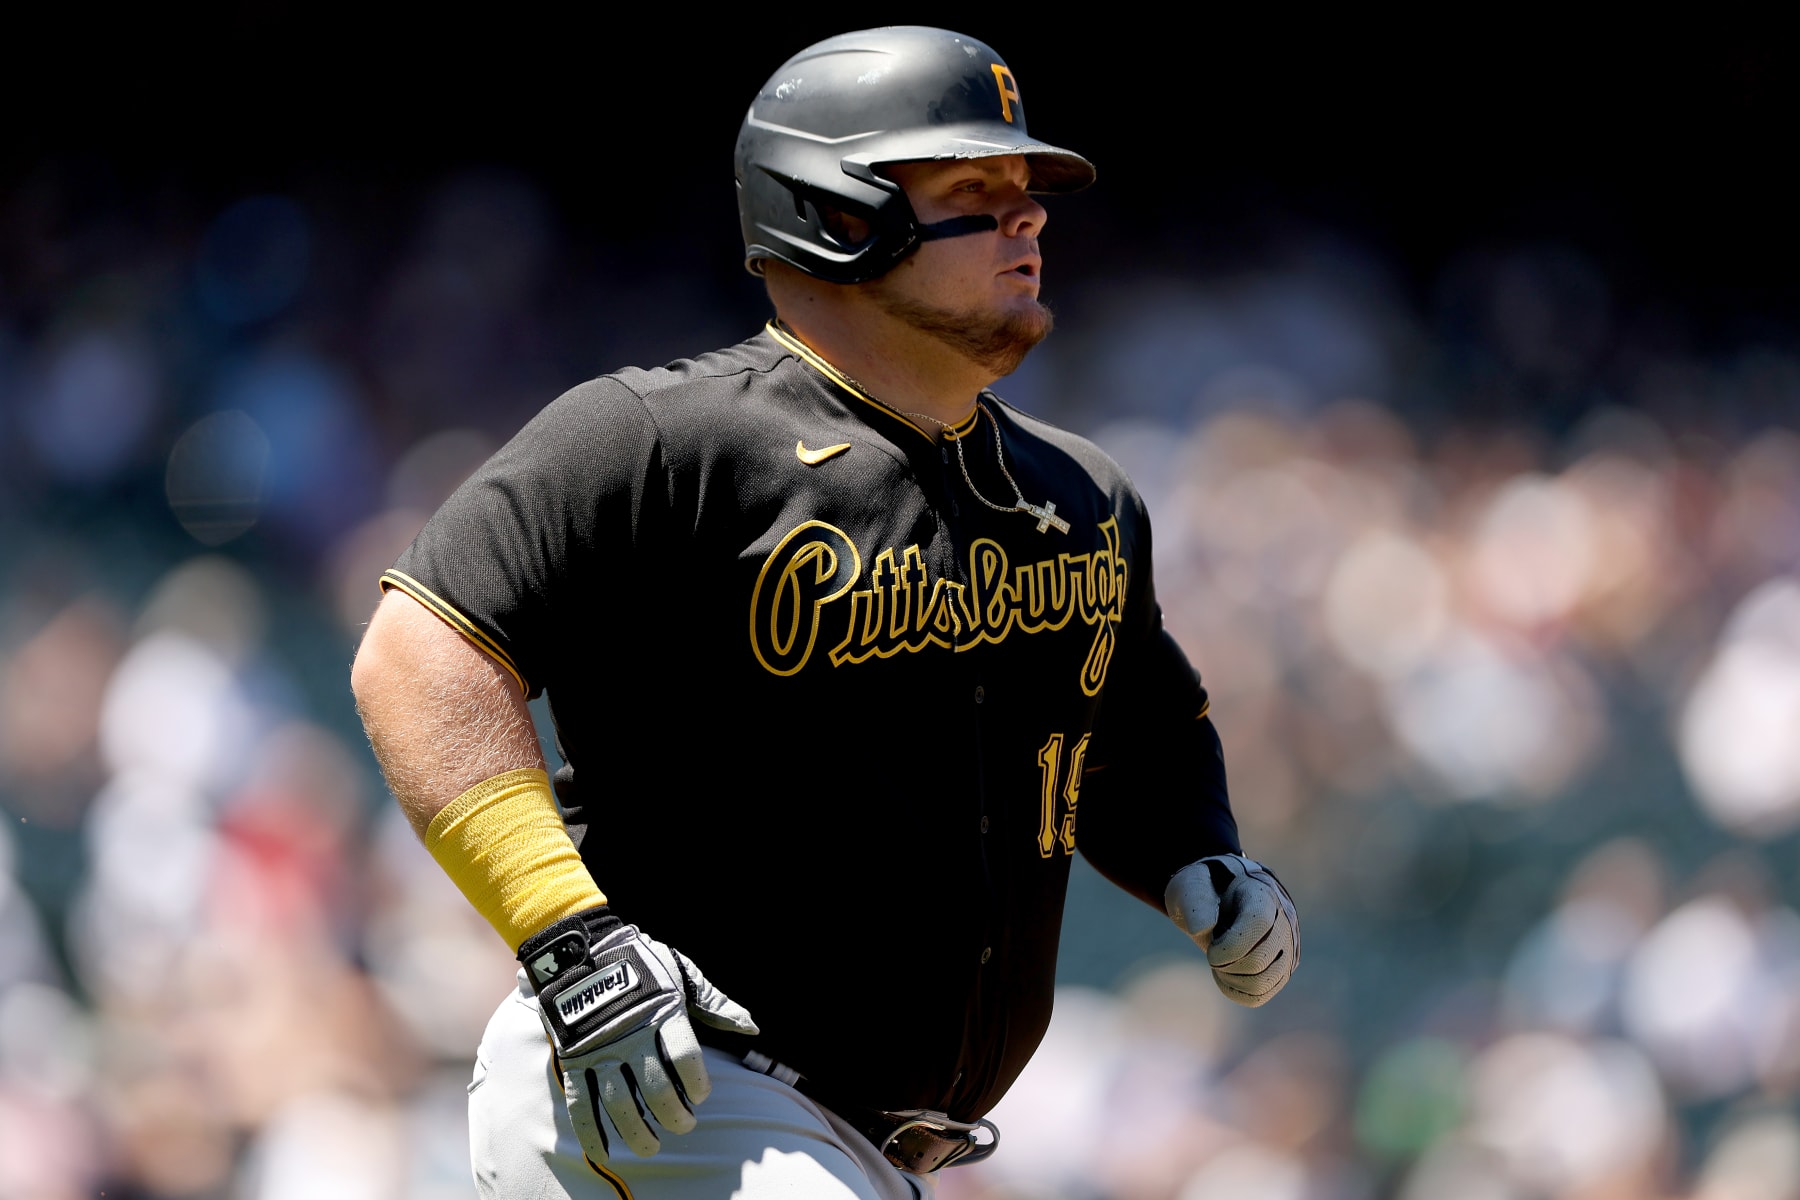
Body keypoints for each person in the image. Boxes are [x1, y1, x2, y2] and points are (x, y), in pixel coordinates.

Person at [350, 25, 1298, 1200]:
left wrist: (1197, 855)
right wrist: (567, 934)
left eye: (1028, 192)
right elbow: (418, 651)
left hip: (862, 1147)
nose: (1029, 219)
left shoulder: (1082, 496)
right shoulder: (663, 440)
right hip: (673, 1088)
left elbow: (1128, 731)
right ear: (834, 213)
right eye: (973, 190)